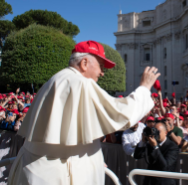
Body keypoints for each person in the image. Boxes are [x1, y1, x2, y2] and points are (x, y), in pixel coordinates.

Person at [8, 40, 160, 185]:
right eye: (101, 66)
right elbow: (122, 115)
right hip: (58, 175)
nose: (102, 73)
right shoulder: (80, 82)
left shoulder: (55, 80)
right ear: (84, 63)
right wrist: (144, 88)